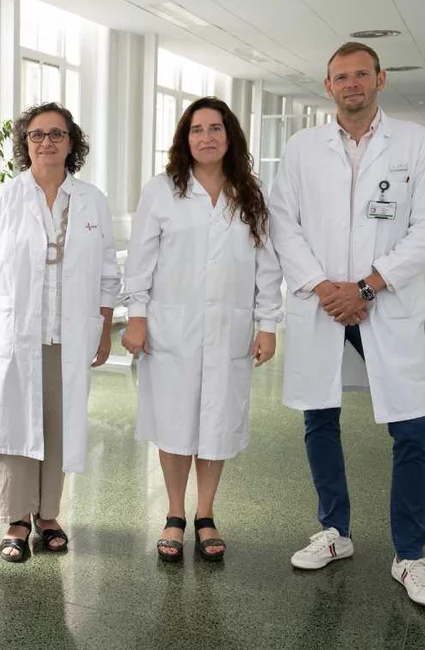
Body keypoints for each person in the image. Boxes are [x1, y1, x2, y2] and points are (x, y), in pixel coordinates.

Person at [267, 42, 425, 608]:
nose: (351, 84)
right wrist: (325, 288)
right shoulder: (302, 148)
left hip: (383, 304)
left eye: (361, 75)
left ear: (380, 79)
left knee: (411, 429)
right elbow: (282, 223)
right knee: (321, 418)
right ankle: (336, 533)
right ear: (327, 86)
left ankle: (410, 556)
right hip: (323, 305)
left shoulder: (415, 143)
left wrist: (367, 285)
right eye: (340, 77)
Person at [121, 97, 282, 563]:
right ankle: (174, 513)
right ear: (184, 139)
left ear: (229, 136)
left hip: (228, 327)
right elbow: (141, 258)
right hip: (172, 327)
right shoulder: (162, 190)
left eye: (215, 128)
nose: (206, 137)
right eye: (197, 129)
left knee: (216, 424)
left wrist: (267, 324)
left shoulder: (250, 192)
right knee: (174, 422)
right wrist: (136, 316)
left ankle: (206, 514)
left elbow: (267, 265)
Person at [0, 102, 119, 562]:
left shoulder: (92, 200)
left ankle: (49, 514)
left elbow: (107, 271)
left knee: (58, 422)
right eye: (37, 134)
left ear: (72, 142)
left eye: (56, 134)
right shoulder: (1, 198)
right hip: (14, 334)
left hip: (68, 333)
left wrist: (105, 329)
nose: (46, 142)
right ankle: (15, 518)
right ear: (25, 142)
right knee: (12, 420)